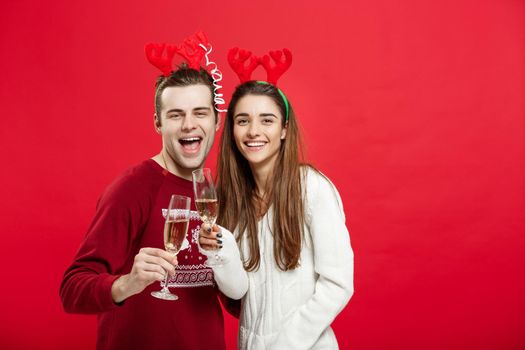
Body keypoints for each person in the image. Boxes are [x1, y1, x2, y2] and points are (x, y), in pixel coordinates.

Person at [60, 34, 248, 350]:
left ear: (216, 122)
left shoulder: (215, 195)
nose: (189, 124)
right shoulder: (131, 188)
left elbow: (233, 299)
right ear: (158, 122)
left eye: (200, 112)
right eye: (176, 115)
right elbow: (72, 289)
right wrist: (127, 283)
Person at [199, 48, 354, 349]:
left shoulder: (311, 187)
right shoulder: (232, 198)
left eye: (267, 120)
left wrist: (285, 344)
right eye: (243, 121)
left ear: (284, 129)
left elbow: (338, 284)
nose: (254, 131)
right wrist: (220, 252)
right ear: (231, 130)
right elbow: (238, 291)